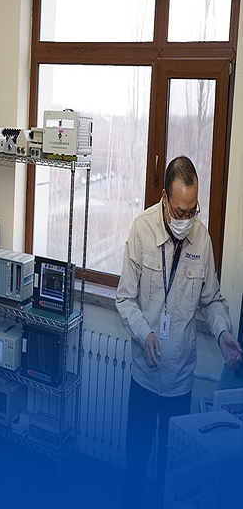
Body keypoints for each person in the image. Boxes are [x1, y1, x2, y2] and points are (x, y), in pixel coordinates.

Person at [115, 156, 242, 509]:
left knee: (172, 475)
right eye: (180, 211)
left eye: (193, 210)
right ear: (165, 199)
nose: (187, 219)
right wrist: (145, 334)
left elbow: (212, 300)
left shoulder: (202, 239)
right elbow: (124, 299)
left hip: (180, 382)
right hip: (144, 377)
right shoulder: (141, 230)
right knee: (135, 467)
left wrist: (223, 333)